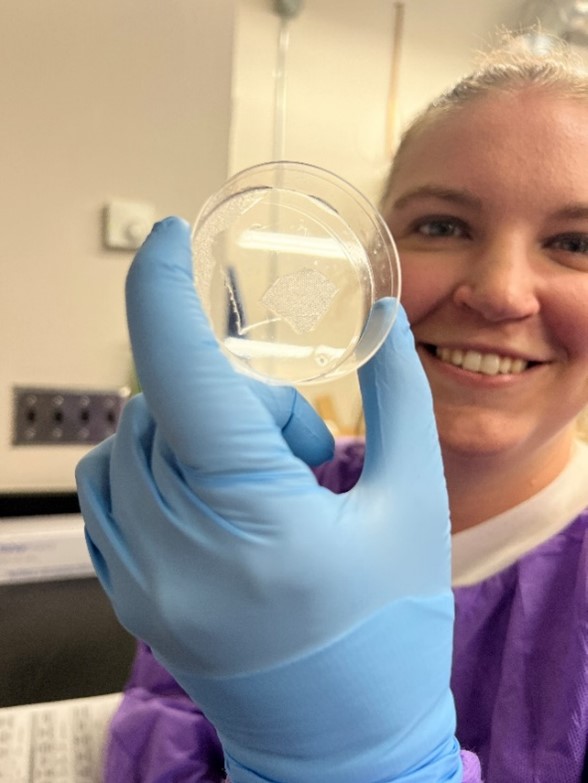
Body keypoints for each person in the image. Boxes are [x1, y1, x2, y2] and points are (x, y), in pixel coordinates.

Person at [75, 36, 588, 783]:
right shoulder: (267, 505)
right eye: (442, 226)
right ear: (370, 263)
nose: (502, 291)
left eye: (575, 242)